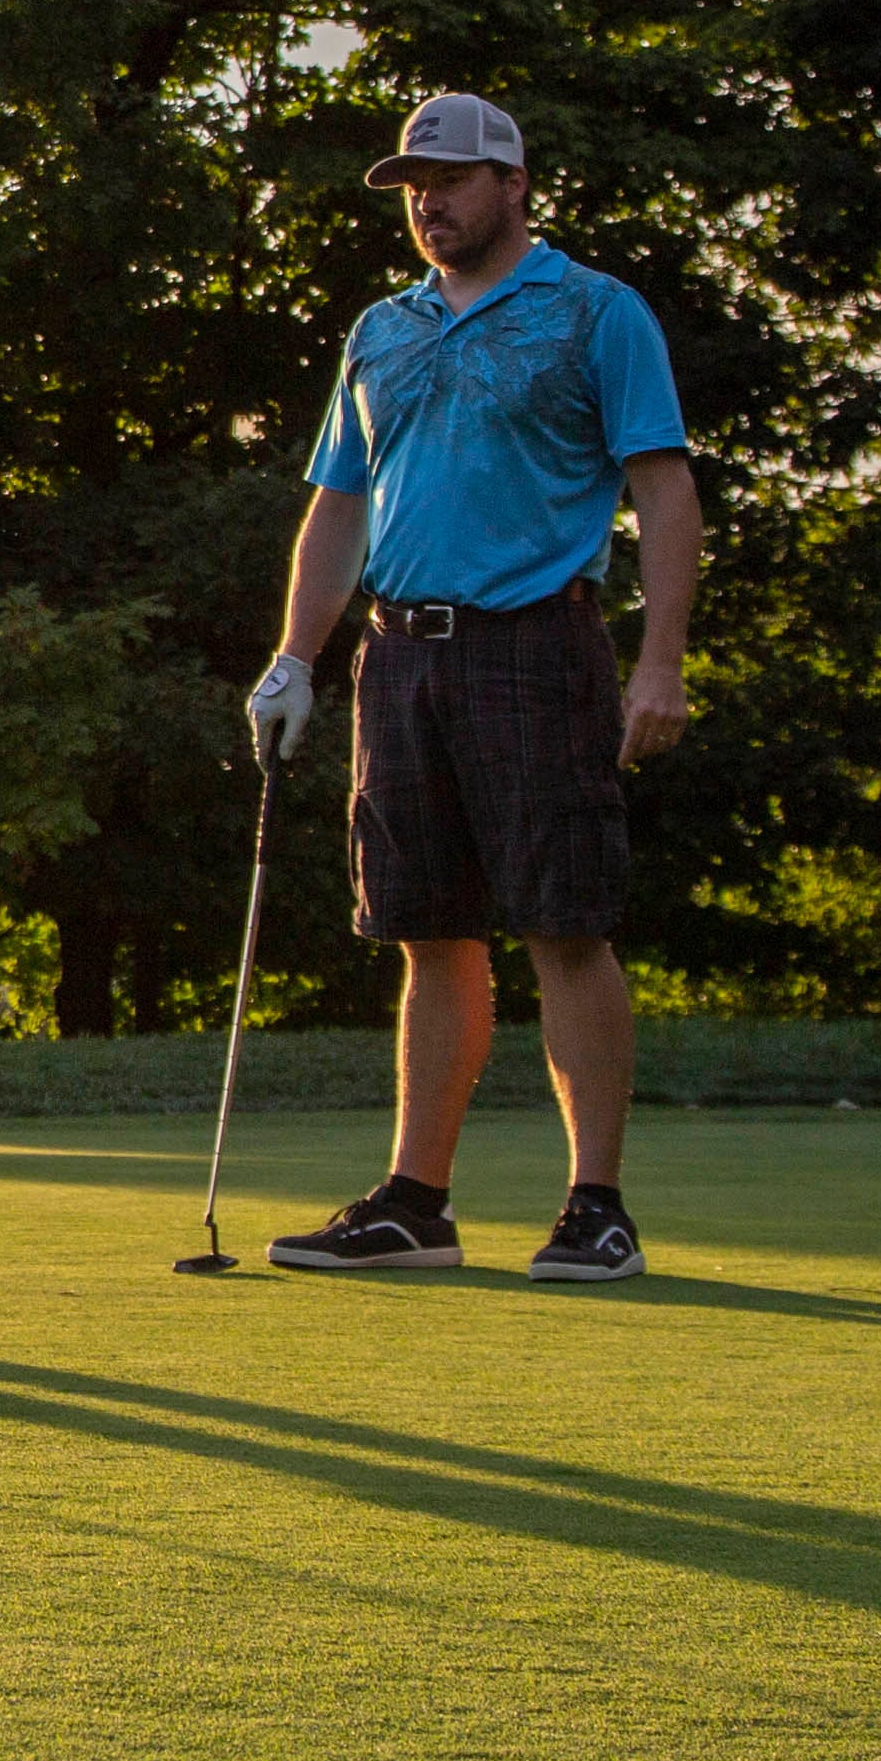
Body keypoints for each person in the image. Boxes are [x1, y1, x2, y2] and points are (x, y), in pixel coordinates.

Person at [244, 92, 699, 1283]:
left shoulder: (595, 312)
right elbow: (338, 508)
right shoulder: (380, 331)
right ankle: (417, 1202)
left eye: (448, 179)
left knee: (565, 923)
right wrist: (298, 654)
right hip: (400, 654)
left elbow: (663, 493)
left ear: (512, 184)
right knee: (425, 930)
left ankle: (595, 1205)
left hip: (537, 647)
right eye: (411, 186)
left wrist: (662, 661)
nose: (428, 203)